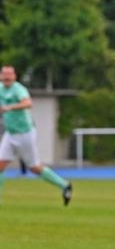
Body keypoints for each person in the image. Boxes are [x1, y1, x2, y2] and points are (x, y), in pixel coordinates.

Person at [0, 66, 72, 205]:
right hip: (10, 133)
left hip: (25, 133)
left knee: (34, 167)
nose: (7, 78)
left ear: (15, 76)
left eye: (9, 75)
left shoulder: (18, 89)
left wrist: (9, 107)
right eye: (4, 75)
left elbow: (28, 103)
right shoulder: (1, 88)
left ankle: (64, 185)